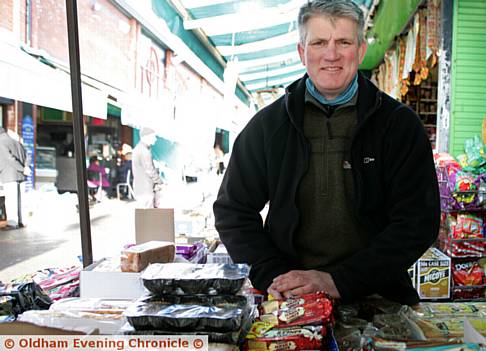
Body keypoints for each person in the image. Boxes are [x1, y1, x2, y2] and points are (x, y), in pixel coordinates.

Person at [213, 0, 440, 305]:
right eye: (319, 42)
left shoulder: (399, 126)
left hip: (378, 297)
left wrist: (339, 281)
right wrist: (272, 274)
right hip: (290, 300)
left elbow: (418, 221)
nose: (331, 55)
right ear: (301, 52)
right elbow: (233, 210)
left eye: (343, 42)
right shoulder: (268, 127)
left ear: (360, 51)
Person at [0, 127, 27, 229]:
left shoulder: (1, 142)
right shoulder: (16, 142)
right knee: (20, 200)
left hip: (9, 175)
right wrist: (24, 168)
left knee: (11, 200)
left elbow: (9, 159)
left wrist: (21, 168)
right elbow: (26, 155)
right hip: (20, 176)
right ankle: (21, 221)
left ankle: (12, 223)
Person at [132, 128, 162, 208]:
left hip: (140, 187)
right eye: (153, 136)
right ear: (146, 136)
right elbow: (150, 170)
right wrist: (160, 182)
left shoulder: (138, 148)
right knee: (148, 215)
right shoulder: (144, 151)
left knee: (144, 216)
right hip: (146, 189)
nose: (155, 139)